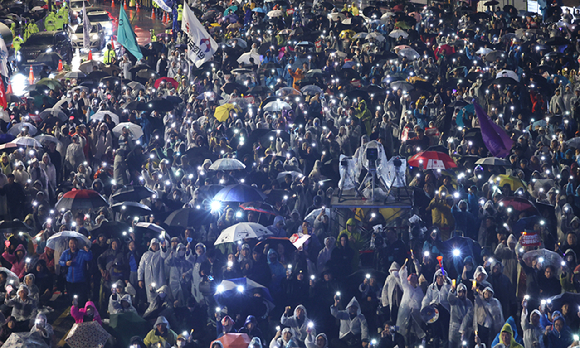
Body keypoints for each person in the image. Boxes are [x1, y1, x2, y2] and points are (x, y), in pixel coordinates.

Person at [58, 238, 92, 306]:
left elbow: (89, 257)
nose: (72, 245)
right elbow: (60, 261)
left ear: (77, 244)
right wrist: (66, 263)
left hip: (80, 280)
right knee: (71, 297)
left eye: (74, 243)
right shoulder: (66, 253)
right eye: (71, 243)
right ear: (68, 244)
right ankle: (73, 311)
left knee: (82, 298)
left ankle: (82, 312)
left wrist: (88, 251)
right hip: (69, 279)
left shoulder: (81, 252)